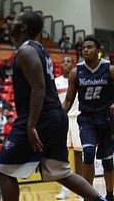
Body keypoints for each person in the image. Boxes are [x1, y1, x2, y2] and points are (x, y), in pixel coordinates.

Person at [0, 12, 107, 201]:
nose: (11, 23)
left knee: (4, 170)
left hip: (40, 117)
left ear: (23, 28)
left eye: (16, 21)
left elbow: (39, 89)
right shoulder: (39, 49)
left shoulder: (26, 51)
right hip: (54, 115)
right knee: (62, 173)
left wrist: (30, 126)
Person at [63, 35, 114, 201]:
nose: (85, 50)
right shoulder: (75, 72)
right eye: (84, 47)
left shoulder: (110, 70)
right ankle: (89, 196)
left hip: (106, 118)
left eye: (90, 47)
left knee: (107, 161)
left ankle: (110, 195)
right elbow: (69, 100)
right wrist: (59, 117)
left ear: (98, 51)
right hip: (87, 119)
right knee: (88, 152)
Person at [55, 56, 82, 199]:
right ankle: (65, 189)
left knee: (79, 154)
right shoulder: (56, 82)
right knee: (62, 154)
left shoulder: (79, 79)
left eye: (68, 62)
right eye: (63, 62)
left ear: (73, 65)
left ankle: (80, 189)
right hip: (62, 119)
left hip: (78, 118)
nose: (65, 64)